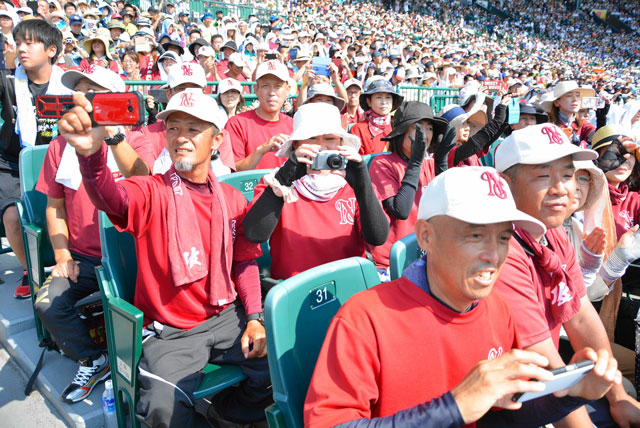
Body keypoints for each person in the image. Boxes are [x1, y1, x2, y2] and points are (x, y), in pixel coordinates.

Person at [304, 165, 622, 428]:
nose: (493, 255)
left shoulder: (497, 308)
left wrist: (571, 393)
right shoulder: (364, 318)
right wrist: (453, 407)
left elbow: (504, 417)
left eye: (502, 238)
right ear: (427, 236)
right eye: (475, 235)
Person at [58, 88, 272, 427]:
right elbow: (110, 197)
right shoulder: (151, 190)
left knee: (279, 362)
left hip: (226, 317)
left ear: (217, 140)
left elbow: (243, 262)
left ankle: (225, 415)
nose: (180, 138)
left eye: (193, 129)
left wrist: (256, 318)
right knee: (163, 409)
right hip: (171, 331)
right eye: (173, 128)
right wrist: (91, 154)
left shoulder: (232, 198)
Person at [494, 123, 640, 427]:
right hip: (510, 399)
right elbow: (542, 362)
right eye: (544, 175)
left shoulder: (553, 233)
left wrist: (617, 396)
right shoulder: (501, 250)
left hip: (546, 383)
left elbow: (581, 315)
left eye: (568, 174)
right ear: (506, 186)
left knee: (624, 390)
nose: (561, 187)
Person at [33, 66, 139, 404]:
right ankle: (95, 359)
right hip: (85, 258)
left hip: (135, 254)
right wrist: (63, 255)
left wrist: (111, 134)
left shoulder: (135, 138)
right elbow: (55, 209)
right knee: (48, 304)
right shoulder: (60, 146)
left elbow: (144, 177)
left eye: (91, 92)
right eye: (77, 91)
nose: (81, 99)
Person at [242, 102, 389, 280]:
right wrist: (284, 179)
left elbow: (377, 237)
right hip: (295, 287)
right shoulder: (276, 182)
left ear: (341, 143)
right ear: (296, 145)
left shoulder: (353, 184)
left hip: (347, 285)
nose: (320, 147)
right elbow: (254, 234)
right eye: (311, 139)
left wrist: (363, 186)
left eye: (329, 139)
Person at [0, 19, 71, 298]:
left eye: (30, 43)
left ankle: (68, 262)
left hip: (58, 160)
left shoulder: (69, 84)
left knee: (66, 215)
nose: (22, 49)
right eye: (18, 43)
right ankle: (32, 270)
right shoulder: (7, 79)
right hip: (12, 162)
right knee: (13, 218)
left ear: (52, 50)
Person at [367, 101, 447, 278]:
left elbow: (448, 207)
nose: (424, 135)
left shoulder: (429, 163)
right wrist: (415, 164)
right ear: (402, 132)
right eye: (416, 128)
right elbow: (400, 210)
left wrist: (442, 165)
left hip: (425, 254)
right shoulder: (382, 164)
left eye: (429, 128)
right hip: (391, 262)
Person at [126, 62, 236, 177]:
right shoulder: (147, 134)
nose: (188, 94)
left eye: (195, 89)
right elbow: (147, 180)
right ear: (168, 93)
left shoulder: (217, 133)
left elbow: (224, 181)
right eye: (181, 88)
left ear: (204, 92)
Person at [226, 60, 293, 171]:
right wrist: (261, 150)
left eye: (277, 86)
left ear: (287, 90)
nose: (272, 92)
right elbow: (234, 171)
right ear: (256, 90)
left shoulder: (293, 125)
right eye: (265, 86)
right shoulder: (237, 123)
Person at [349, 79, 403, 155]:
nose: (384, 102)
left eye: (388, 97)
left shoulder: (398, 128)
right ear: (369, 102)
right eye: (379, 97)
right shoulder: (358, 129)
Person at [541, 80, 596, 147]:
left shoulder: (583, 124)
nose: (575, 99)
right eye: (569, 96)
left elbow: (597, 137)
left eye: (578, 95)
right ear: (557, 102)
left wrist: (602, 115)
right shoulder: (548, 127)